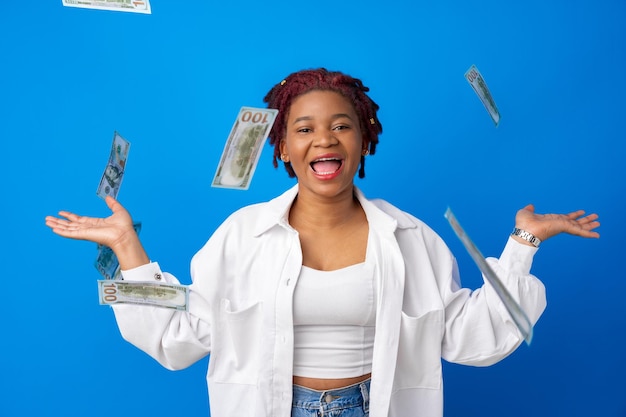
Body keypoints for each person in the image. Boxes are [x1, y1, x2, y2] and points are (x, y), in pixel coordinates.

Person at [45, 68, 600, 417]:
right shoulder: (243, 235)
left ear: (363, 142)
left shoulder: (408, 237)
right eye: (304, 128)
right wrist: (126, 248)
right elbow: (180, 336)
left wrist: (525, 239)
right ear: (282, 148)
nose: (324, 139)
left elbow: (466, 335)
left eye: (342, 125)